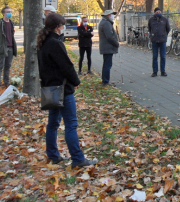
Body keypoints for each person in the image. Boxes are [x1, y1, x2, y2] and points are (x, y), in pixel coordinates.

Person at [37, 13, 97, 168]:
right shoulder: (55, 43)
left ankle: (53, 155)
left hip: (50, 88)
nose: (63, 27)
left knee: (53, 123)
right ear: (58, 27)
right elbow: (67, 66)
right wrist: (75, 81)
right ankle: (77, 159)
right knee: (71, 124)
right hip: (62, 89)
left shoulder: (43, 42)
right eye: (62, 25)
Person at [0, 6, 17, 88]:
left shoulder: (11, 23)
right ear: (3, 13)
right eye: (8, 12)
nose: (9, 13)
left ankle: (6, 82)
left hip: (10, 47)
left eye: (10, 11)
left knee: (8, 66)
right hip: (2, 47)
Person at [98, 9, 119, 86]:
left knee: (106, 64)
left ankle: (105, 80)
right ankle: (106, 81)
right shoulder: (106, 23)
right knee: (107, 64)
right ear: (108, 15)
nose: (113, 16)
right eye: (112, 14)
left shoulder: (104, 22)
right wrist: (116, 44)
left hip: (106, 47)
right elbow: (109, 37)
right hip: (108, 47)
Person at [148, 7, 170, 77]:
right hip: (154, 40)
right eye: (157, 12)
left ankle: (163, 71)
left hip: (162, 40)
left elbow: (168, 29)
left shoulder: (165, 20)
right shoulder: (151, 20)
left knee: (163, 56)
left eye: (159, 12)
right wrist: (151, 36)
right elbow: (149, 29)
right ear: (154, 13)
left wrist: (164, 34)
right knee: (155, 56)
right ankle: (155, 71)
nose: (158, 13)